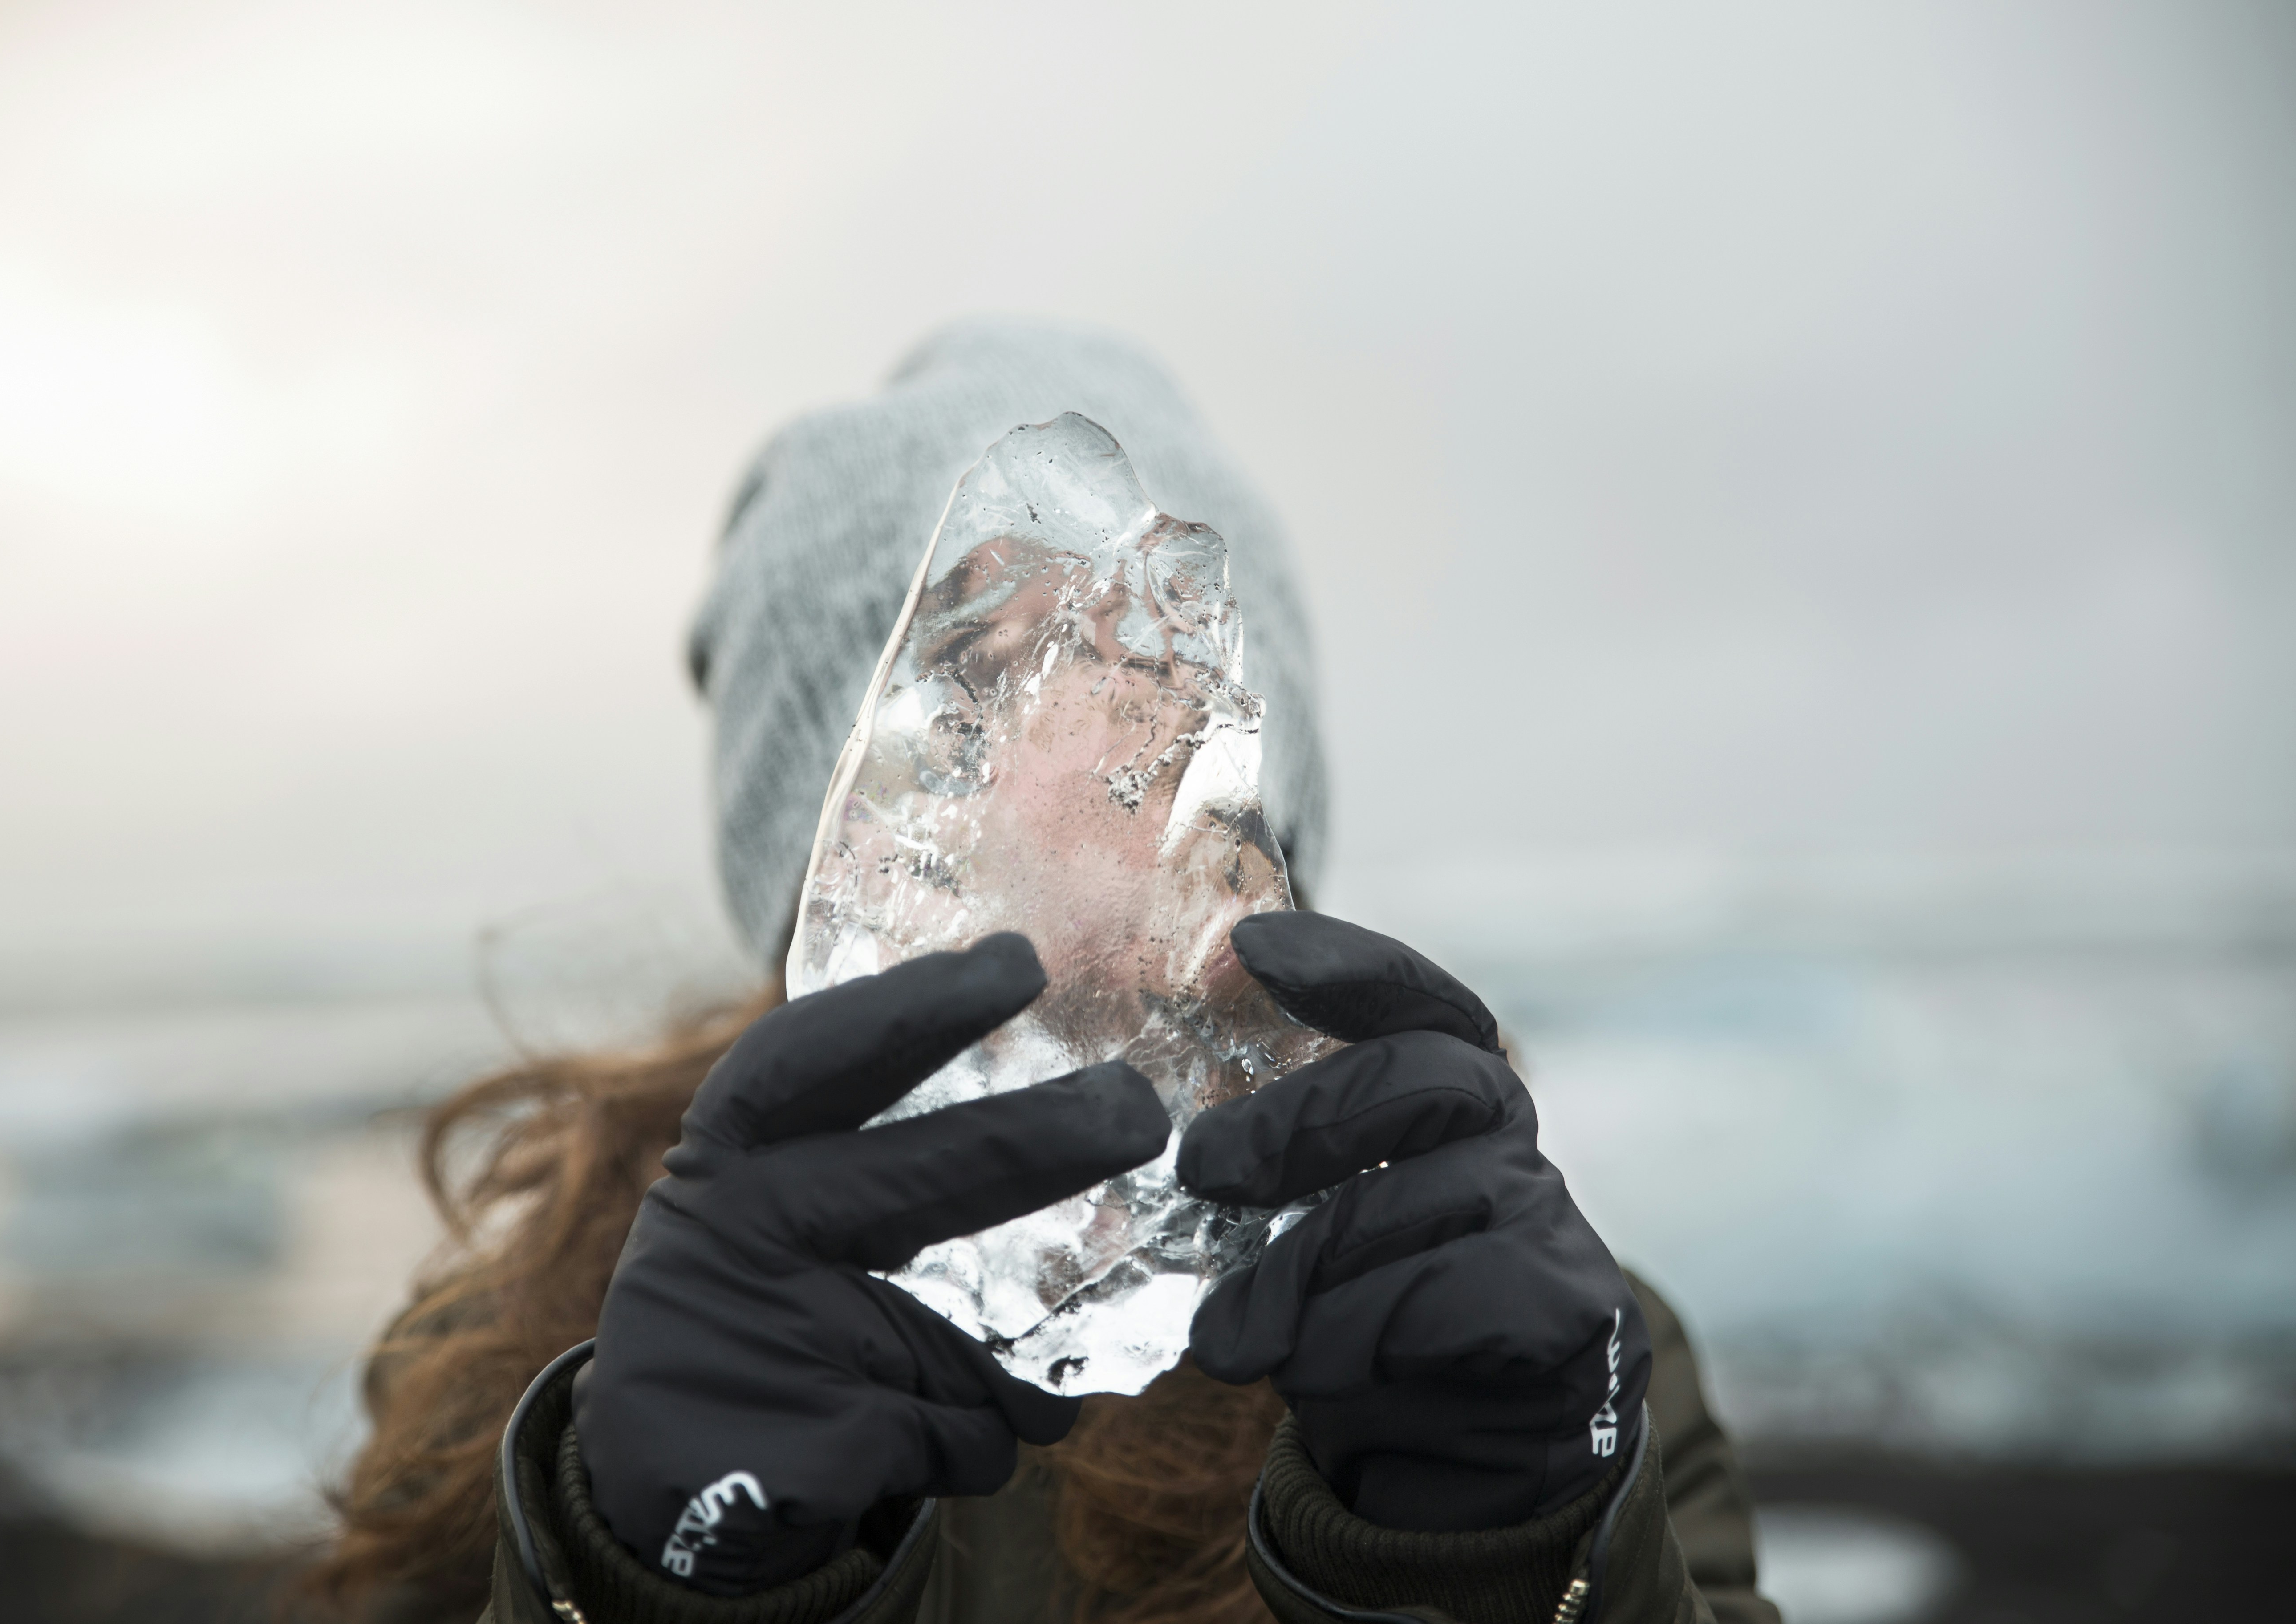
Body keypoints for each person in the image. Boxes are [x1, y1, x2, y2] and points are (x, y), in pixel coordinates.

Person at [300, 323, 1780, 1624]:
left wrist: (1520, 1558)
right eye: (978, 698)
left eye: (1162, 698)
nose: (1076, 784)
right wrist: (641, 1579)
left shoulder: (1543, 1344)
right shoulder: (532, 1364)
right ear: (834, 846)